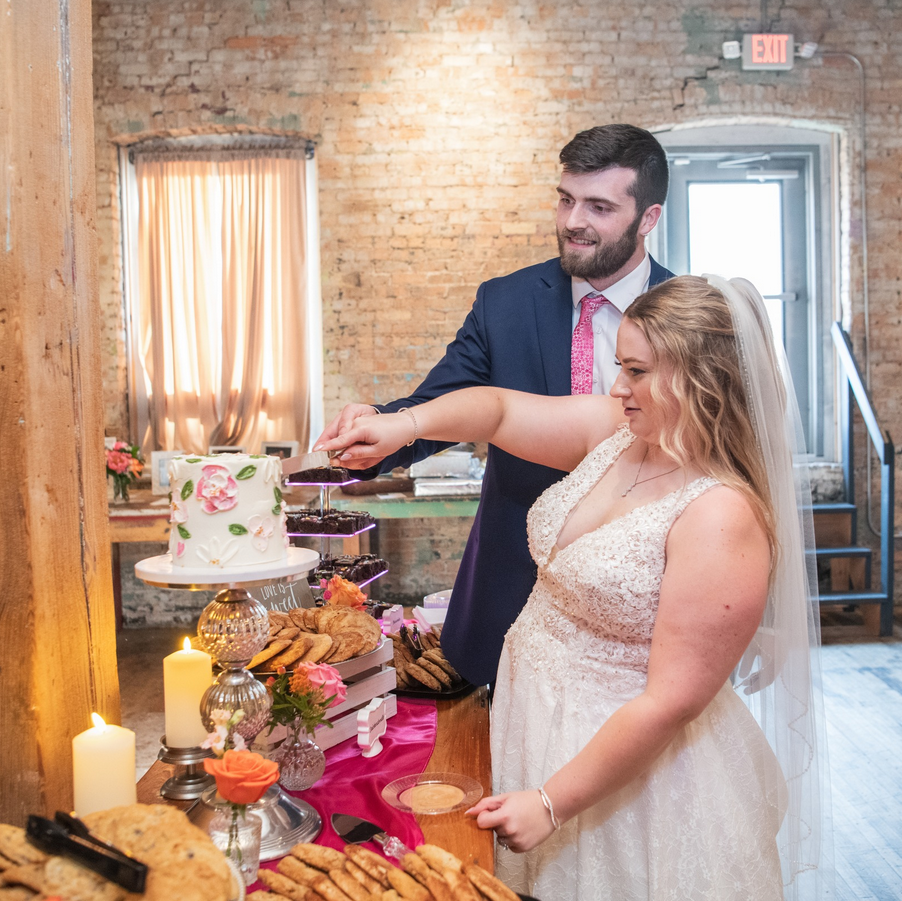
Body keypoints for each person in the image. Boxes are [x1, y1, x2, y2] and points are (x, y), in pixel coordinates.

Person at [316, 275, 832, 900]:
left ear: (701, 379)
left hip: (629, 774)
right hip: (533, 718)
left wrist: (553, 803)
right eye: (620, 366)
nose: (618, 387)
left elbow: (671, 701)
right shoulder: (618, 432)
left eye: (638, 371)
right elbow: (501, 410)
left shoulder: (722, 515)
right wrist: (403, 423)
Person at [315, 124, 675, 687]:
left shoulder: (690, 317)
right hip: (516, 579)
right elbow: (441, 404)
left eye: (599, 207)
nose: (573, 221)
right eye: (565, 199)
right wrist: (380, 423)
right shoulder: (505, 302)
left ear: (647, 218)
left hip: (643, 590)